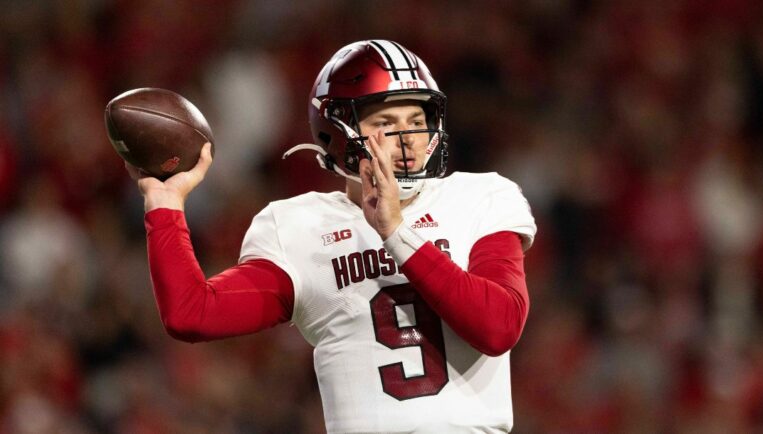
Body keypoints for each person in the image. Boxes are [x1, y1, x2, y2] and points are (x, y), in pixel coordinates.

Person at [128, 40, 537, 433]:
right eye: (385, 123)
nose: (408, 138)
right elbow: (192, 313)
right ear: (336, 133)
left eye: (417, 120)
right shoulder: (299, 226)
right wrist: (164, 205)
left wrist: (395, 232)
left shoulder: (481, 197)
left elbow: (497, 327)